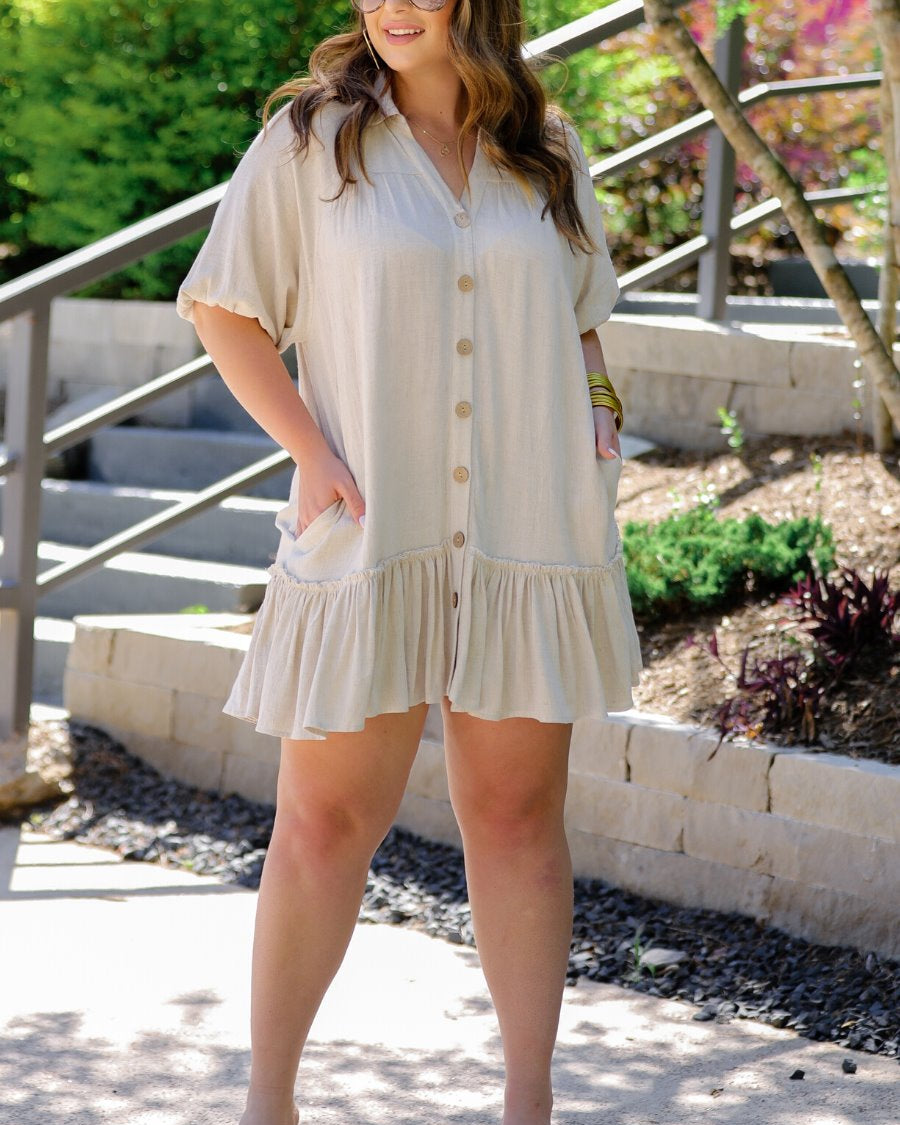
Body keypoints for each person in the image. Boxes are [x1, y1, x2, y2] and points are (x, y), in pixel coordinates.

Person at [176, 1, 642, 1122]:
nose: (391, 5)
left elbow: (583, 316)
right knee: (324, 822)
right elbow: (225, 308)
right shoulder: (311, 139)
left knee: (519, 818)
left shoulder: (546, 145)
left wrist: (598, 409)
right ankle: (269, 1103)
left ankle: (528, 1101)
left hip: (529, 523)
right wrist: (312, 454)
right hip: (370, 523)